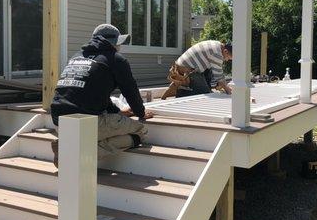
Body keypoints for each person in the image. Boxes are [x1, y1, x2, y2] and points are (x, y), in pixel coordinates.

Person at [50, 24, 153, 167]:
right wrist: (140, 112)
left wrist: (117, 112)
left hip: (59, 122)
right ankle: (70, 154)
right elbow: (130, 90)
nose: (120, 47)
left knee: (102, 127)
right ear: (115, 43)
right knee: (141, 131)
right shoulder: (116, 59)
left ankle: (68, 147)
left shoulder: (77, 57)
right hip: (88, 123)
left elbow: (91, 92)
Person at [162, 40, 233, 99]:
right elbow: (219, 76)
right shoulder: (217, 54)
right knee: (205, 93)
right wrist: (229, 91)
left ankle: (179, 85)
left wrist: (224, 86)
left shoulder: (217, 44)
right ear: (226, 51)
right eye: (229, 58)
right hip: (187, 71)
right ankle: (181, 90)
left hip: (185, 67)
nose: (226, 60)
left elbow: (217, 73)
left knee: (209, 76)